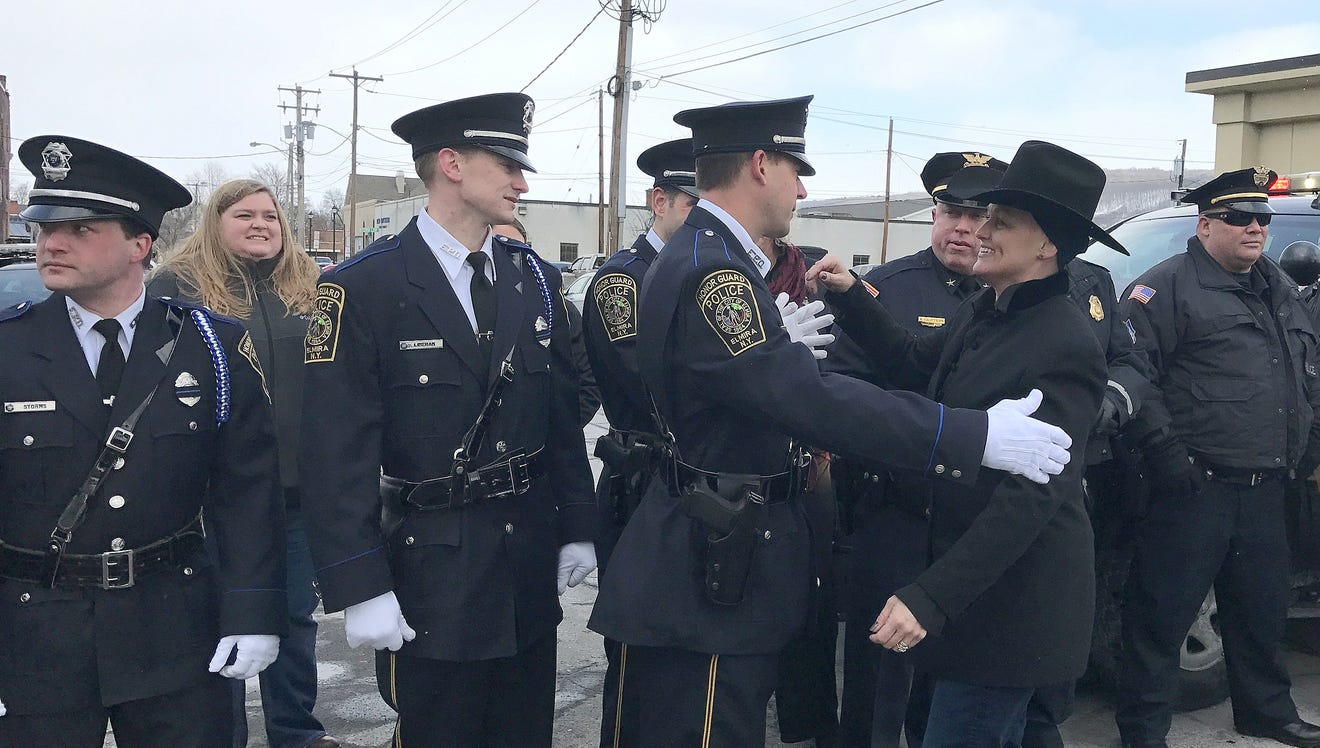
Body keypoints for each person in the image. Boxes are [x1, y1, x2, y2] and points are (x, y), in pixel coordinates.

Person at [587, 98, 1076, 746]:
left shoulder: (709, 256)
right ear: (760, 166)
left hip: (720, 549)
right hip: (707, 568)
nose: (803, 188)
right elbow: (811, 400)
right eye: (796, 169)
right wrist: (972, 435)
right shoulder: (714, 272)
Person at [299, 93, 598, 747]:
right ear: (452, 164)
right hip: (429, 571)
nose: (522, 181)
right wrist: (360, 582)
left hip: (524, 564)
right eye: (507, 164)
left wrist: (578, 526)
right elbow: (334, 451)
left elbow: (560, 420)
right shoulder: (362, 288)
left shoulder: (535, 279)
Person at [813, 139, 1120, 746]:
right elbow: (910, 361)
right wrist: (852, 296)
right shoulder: (991, 307)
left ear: (1049, 245)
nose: (981, 229)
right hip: (974, 593)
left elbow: (1029, 502)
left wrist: (929, 598)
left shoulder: (1063, 341)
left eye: (1000, 221)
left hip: (1013, 607)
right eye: (981, 217)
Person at [0, 135, 286, 746]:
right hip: (34, 638)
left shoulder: (210, 345)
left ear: (140, 243)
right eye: (43, 225)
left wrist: (254, 610)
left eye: (79, 227)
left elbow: (246, 492)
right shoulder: (8, 347)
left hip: (174, 631)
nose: (50, 242)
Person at [1115, 167, 1320, 748]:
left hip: (1265, 486)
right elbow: (1136, 376)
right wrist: (1166, 454)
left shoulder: (1276, 284)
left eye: (1263, 218)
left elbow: (1305, 367)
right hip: (1193, 485)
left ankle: (1266, 713)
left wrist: (1309, 444)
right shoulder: (1164, 288)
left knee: (1259, 613)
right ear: (1206, 226)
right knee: (1160, 619)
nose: (1255, 227)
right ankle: (1143, 733)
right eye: (1239, 218)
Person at [147, 179, 337, 748]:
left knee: (295, 618)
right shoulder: (175, 288)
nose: (260, 224)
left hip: (295, 493)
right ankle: (220, 734)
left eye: (270, 217)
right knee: (218, 626)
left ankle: (296, 732)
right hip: (211, 498)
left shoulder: (310, 288)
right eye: (244, 215)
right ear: (215, 222)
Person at [826, 150, 1006, 748]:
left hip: (970, 523)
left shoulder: (1007, 299)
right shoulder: (884, 290)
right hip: (894, 517)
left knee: (951, 675)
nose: (963, 226)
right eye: (951, 209)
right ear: (934, 213)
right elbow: (845, 402)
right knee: (880, 682)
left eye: (980, 213)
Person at [581, 138, 698, 748]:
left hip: (694, 485)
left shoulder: (701, 273)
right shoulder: (622, 282)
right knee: (633, 660)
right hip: (640, 480)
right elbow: (643, 375)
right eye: (693, 202)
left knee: (684, 660)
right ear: (660, 201)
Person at [493, 218, 601, 427]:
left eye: (516, 251)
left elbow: (587, 385)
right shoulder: (477, 309)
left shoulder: (560, 310)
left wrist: (560, 434)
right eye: (500, 248)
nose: (510, 259)